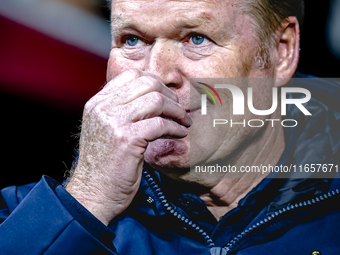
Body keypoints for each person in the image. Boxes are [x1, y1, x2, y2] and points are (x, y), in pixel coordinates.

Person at [1, 0, 340, 254]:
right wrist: (86, 202)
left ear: (280, 52)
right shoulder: (27, 214)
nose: (157, 74)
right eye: (132, 40)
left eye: (196, 38)